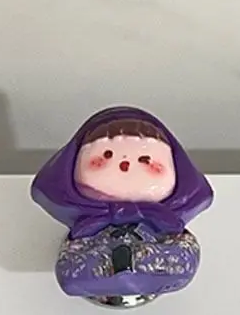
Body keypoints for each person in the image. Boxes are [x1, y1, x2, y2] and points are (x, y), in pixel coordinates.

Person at [31, 106, 213, 299]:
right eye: (107, 155)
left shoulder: (174, 211)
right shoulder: (81, 215)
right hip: (91, 245)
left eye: (145, 160)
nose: (125, 165)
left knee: (181, 260)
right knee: (75, 270)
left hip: (158, 244)